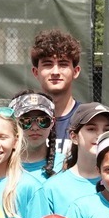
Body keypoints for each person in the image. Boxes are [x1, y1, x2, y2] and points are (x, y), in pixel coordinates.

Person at [41, 101, 109, 215]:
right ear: (74, 137)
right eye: (91, 129)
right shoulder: (52, 188)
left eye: (107, 130)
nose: (100, 135)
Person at [28, 29, 85, 158]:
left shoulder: (87, 121)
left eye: (63, 64)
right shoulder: (21, 122)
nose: (55, 71)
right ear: (35, 72)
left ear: (75, 71)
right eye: (48, 64)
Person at [13, 92, 57, 176]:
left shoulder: (66, 164)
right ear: (13, 124)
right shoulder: (1, 164)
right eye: (25, 121)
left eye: (43, 121)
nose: (35, 127)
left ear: (52, 122)